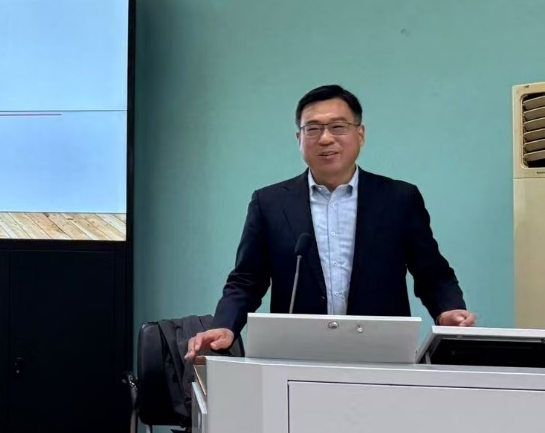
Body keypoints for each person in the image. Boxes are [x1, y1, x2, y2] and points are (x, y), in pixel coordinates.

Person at [186, 85, 475, 360]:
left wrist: (448, 310)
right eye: (312, 129)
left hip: (381, 354)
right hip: (296, 356)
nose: (325, 138)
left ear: (360, 134)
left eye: (338, 127)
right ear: (299, 138)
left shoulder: (399, 199)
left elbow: (432, 273)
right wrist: (225, 325)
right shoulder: (270, 203)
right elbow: (246, 280)